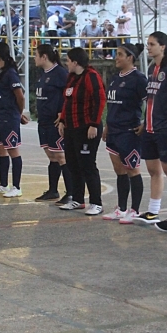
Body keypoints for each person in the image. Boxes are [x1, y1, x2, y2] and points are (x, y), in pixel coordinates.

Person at [136, 31, 167, 232]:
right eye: (148, 44)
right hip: (149, 128)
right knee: (153, 170)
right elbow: (150, 98)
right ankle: (153, 210)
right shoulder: (151, 69)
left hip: (165, 128)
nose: (149, 47)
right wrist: (144, 121)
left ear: (163, 46)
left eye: (152, 44)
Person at [101, 43, 148, 224]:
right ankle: (121, 208)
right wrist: (107, 125)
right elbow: (111, 105)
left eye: (120, 54)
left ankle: (134, 209)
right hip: (113, 130)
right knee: (119, 170)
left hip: (129, 131)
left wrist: (144, 122)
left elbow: (149, 102)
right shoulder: (114, 78)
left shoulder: (138, 79)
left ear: (130, 57)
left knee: (132, 170)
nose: (116, 57)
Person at [57, 48, 106, 215]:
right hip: (72, 127)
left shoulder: (91, 76)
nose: (66, 63)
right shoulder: (71, 78)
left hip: (86, 128)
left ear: (76, 62)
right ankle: (78, 199)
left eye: (68, 61)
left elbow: (100, 100)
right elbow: (67, 101)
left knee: (87, 164)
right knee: (72, 163)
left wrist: (94, 123)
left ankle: (96, 202)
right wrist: (63, 120)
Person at [33, 44, 73, 204]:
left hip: (55, 123)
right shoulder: (44, 74)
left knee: (61, 156)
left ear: (44, 57)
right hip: (43, 121)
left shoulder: (61, 74)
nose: (34, 58)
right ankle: (52, 190)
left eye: (36, 55)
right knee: (52, 156)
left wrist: (63, 114)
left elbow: (69, 93)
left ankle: (71, 192)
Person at [0, 42, 28, 198]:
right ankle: (3, 184)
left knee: (12, 150)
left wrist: (18, 113)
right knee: (0, 149)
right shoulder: (0, 72)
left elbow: (20, 96)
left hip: (9, 117)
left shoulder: (11, 73)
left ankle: (16, 186)